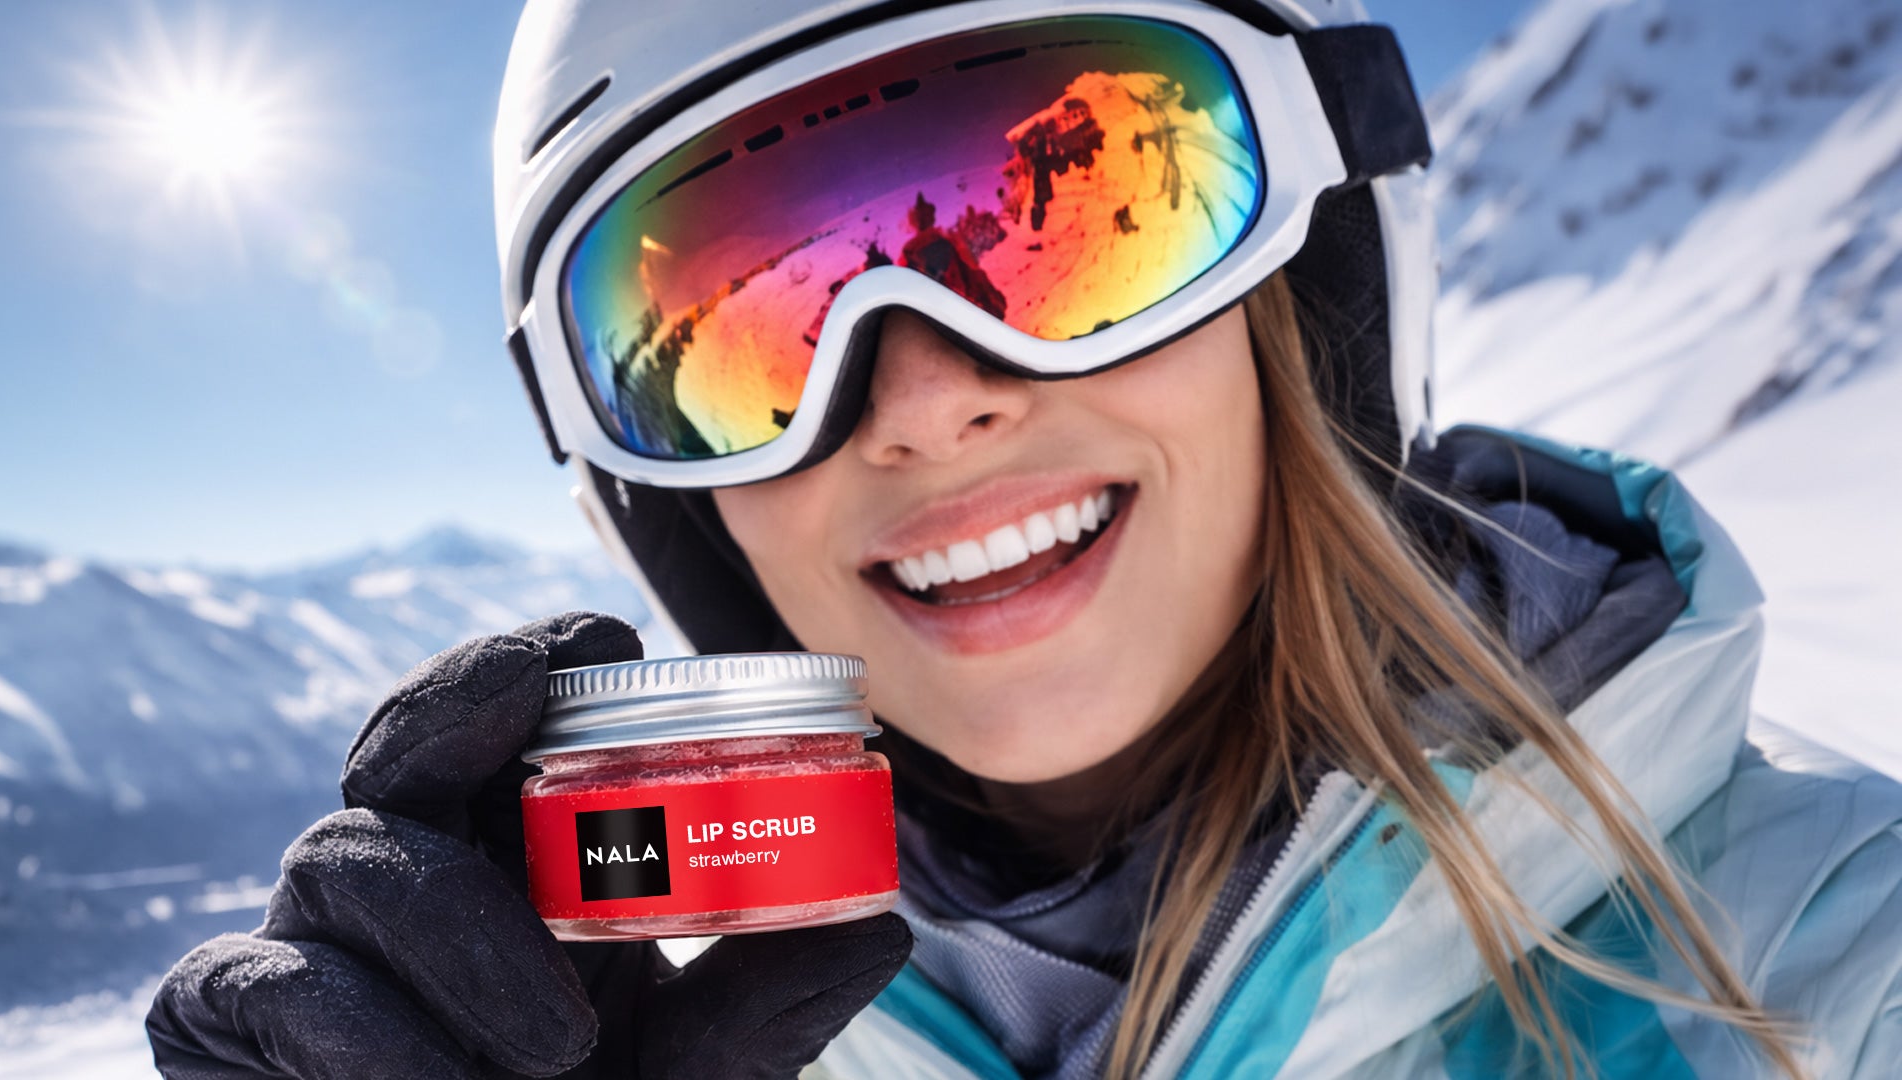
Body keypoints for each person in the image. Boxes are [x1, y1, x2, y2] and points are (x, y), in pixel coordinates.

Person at [146, 1, 1902, 1077]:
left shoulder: (1832, 962)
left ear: (1308, 295)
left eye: (1071, 216)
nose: (920, 400)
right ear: (671, 503)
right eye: (748, 332)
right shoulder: (681, 1041)